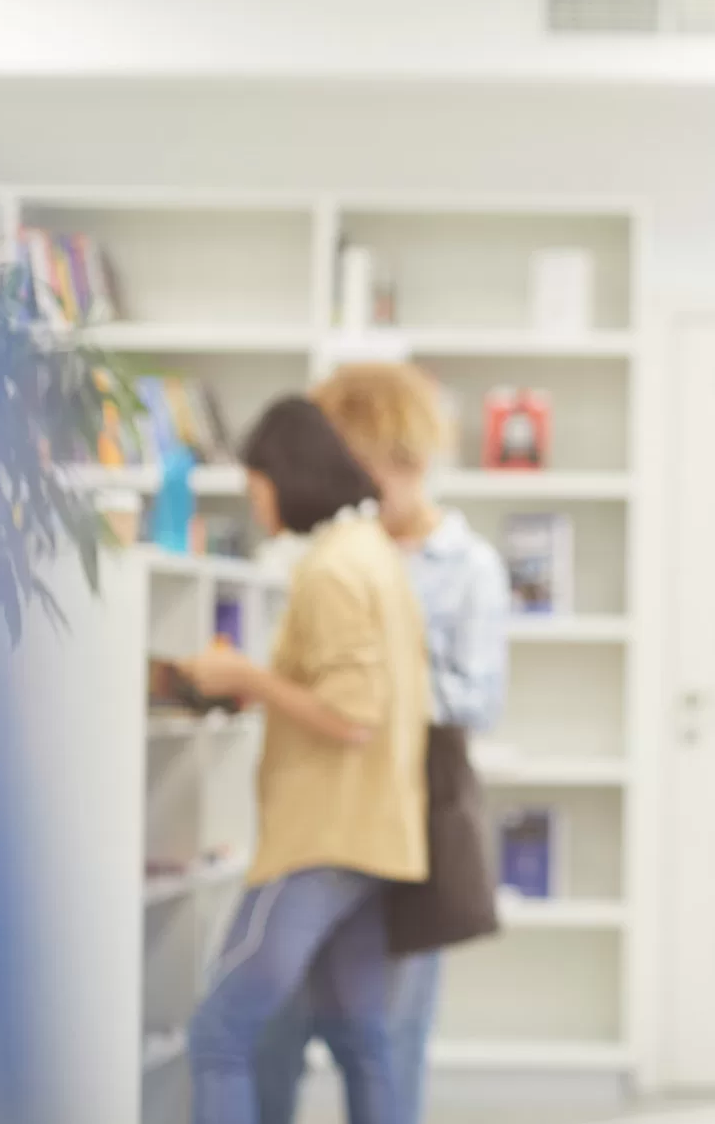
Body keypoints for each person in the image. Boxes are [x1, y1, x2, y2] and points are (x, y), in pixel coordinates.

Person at [254, 363, 512, 1124]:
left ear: (409, 459)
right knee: (271, 1026)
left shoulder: (467, 567)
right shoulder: (317, 550)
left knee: (387, 1041)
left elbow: (478, 699)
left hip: (408, 826)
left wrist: (374, 690)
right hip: (318, 817)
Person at [184, 397, 432, 1124]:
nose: (255, 504)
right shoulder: (375, 553)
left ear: (282, 476)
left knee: (219, 1033)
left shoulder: (330, 569)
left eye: (254, 486)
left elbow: (354, 715)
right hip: (375, 835)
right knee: (362, 1041)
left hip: (320, 840)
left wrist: (247, 678)